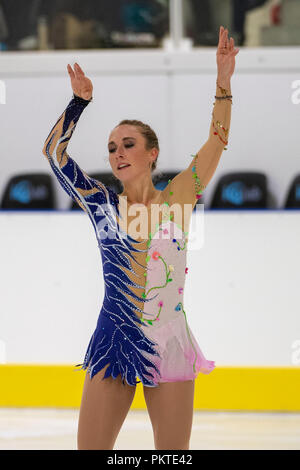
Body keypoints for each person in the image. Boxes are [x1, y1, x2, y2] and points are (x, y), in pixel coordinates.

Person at [42, 26, 239, 450]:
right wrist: (79, 104)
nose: (118, 153)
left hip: (169, 341)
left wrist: (223, 82)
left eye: (128, 144)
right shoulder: (100, 203)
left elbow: (217, 141)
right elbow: (54, 154)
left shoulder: (179, 198)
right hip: (114, 336)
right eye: (112, 147)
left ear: (152, 153)